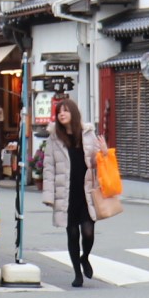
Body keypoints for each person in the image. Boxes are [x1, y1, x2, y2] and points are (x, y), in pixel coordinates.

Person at [42, 93, 103, 287]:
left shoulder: (87, 133)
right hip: (65, 192)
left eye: (66, 110)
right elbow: (49, 166)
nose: (62, 114)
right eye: (59, 112)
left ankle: (85, 257)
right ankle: (77, 272)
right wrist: (48, 195)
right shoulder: (54, 138)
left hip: (86, 191)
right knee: (72, 234)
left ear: (73, 113)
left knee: (88, 233)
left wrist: (103, 151)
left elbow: (96, 162)